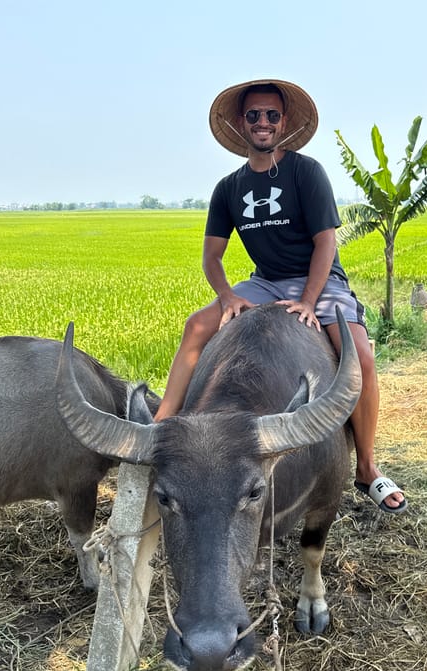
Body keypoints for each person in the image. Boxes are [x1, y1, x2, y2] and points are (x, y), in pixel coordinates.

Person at [154, 78, 406, 514]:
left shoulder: (305, 172)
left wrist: (309, 302)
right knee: (196, 325)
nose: (263, 122)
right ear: (241, 123)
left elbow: (326, 242)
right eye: (255, 115)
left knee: (360, 356)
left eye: (272, 115)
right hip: (266, 281)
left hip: (320, 279)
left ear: (283, 123)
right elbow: (212, 257)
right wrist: (228, 295)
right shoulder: (228, 188)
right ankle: (161, 430)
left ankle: (366, 465)